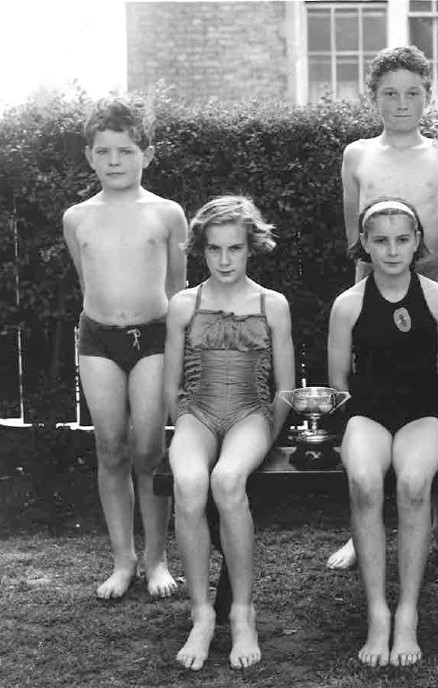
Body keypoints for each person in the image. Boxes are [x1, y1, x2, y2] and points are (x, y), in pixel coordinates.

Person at [330, 45, 438, 571]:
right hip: (372, 289)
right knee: (365, 406)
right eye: (390, 93)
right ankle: (358, 532)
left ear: (428, 96)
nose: (401, 102)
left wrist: (433, 283)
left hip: (431, 286)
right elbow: (354, 233)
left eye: (413, 92)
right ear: (373, 98)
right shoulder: (357, 155)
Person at [328, 198, 438, 667]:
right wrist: (351, 431)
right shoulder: (348, 304)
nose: (391, 250)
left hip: (422, 414)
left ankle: (407, 612)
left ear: (417, 242)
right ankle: (377, 613)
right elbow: (339, 383)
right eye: (380, 240)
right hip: (368, 414)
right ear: (363, 243)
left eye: (402, 240)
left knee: (411, 485)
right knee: (365, 483)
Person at [63, 96, 187, 599]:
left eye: (127, 151)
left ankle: (157, 559)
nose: (115, 161)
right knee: (110, 447)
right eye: (105, 151)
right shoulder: (77, 218)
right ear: (90, 155)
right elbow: (84, 279)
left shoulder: (167, 214)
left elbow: (179, 289)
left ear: (148, 155)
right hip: (97, 341)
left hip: (154, 338)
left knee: (149, 448)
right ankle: (123, 560)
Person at [164, 196, 295, 670]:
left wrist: (266, 434)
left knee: (227, 481)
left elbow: (285, 388)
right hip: (197, 413)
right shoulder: (184, 305)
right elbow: (171, 386)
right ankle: (201, 614)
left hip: (249, 415)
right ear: (201, 249)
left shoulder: (271, 305)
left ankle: (242, 613)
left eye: (234, 249)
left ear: (250, 248)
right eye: (215, 249)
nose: (224, 260)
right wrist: (184, 430)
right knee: (190, 483)